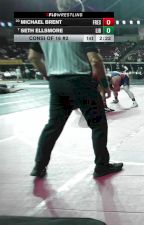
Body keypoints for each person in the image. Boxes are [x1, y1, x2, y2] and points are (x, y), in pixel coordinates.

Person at [28, 0, 123, 178]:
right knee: (98, 125)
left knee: (53, 126)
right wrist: (104, 85)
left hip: (57, 83)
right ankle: (102, 165)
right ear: (78, 9)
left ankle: (39, 166)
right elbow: (95, 60)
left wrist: (48, 73)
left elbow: (33, 57)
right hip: (80, 82)